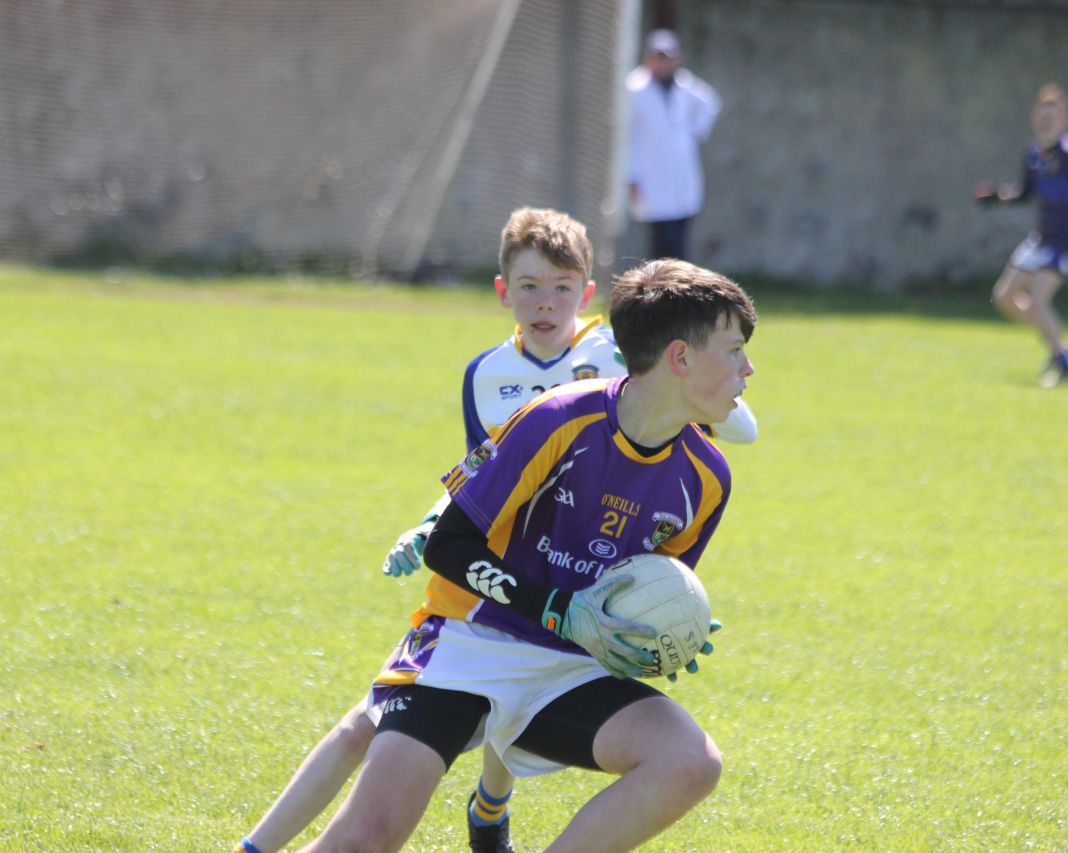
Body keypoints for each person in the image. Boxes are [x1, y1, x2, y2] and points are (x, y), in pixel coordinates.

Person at [236, 213, 756, 853]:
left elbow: (650, 587)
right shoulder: (556, 419)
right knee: (363, 841)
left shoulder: (707, 478)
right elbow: (449, 546)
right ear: (680, 357)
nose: (747, 371)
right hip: (469, 643)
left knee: (689, 761)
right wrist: (558, 609)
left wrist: (660, 636)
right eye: (734, 352)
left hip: (567, 671)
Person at [974, 83, 1068, 387]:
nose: (1047, 121)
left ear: (1065, 120)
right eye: (1043, 116)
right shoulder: (1033, 154)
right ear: (1034, 118)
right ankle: (1059, 346)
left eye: (1053, 116)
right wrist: (997, 196)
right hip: (1040, 237)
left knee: (1038, 302)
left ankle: (1066, 367)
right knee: (1004, 298)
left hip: (1064, 240)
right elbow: (1025, 194)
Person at [626, 29, 722, 262]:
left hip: (682, 173)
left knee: (680, 238)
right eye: (658, 57)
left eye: (667, 58)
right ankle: (661, 292)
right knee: (662, 242)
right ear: (648, 58)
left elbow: (711, 103)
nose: (663, 63)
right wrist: (632, 176)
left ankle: (677, 291)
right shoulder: (635, 88)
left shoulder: (684, 84)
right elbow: (630, 137)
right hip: (652, 173)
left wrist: (695, 130)